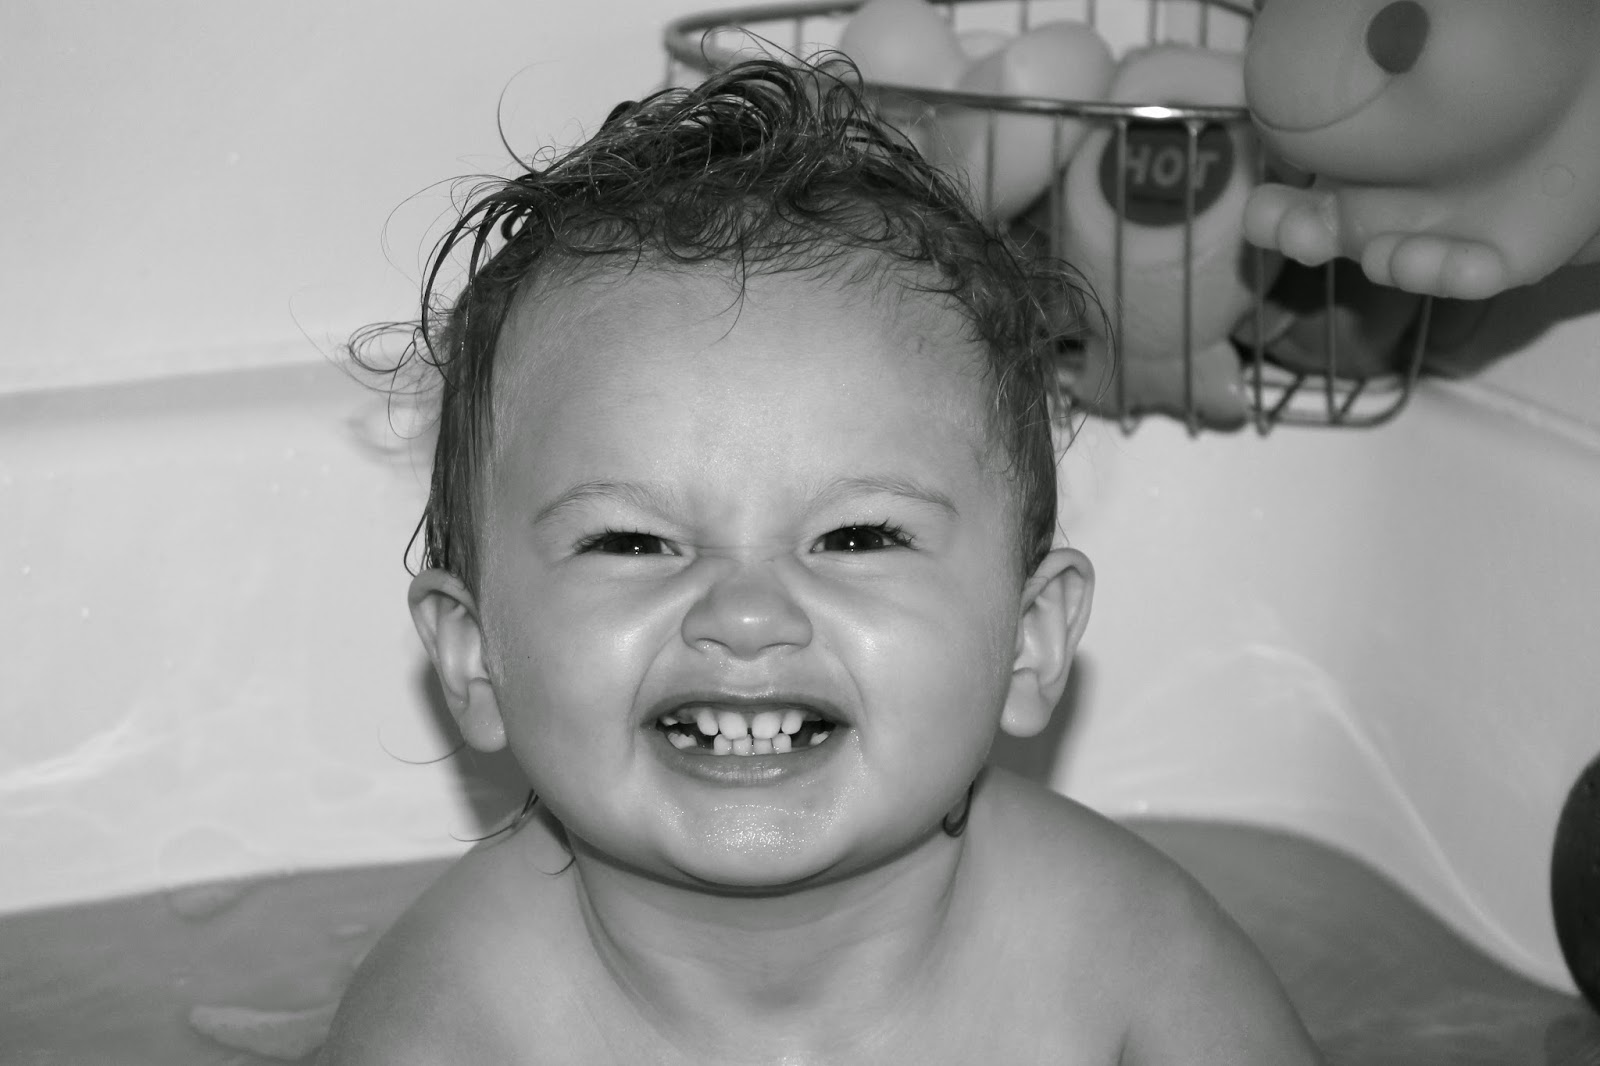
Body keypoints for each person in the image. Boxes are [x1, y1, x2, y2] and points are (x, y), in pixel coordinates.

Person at [318, 56, 1323, 1065]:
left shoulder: (1129, 962)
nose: (746, 613)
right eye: (631, 541)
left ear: (1029, 640)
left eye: (856, 537)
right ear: (473, 655)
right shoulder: (452, 1024)